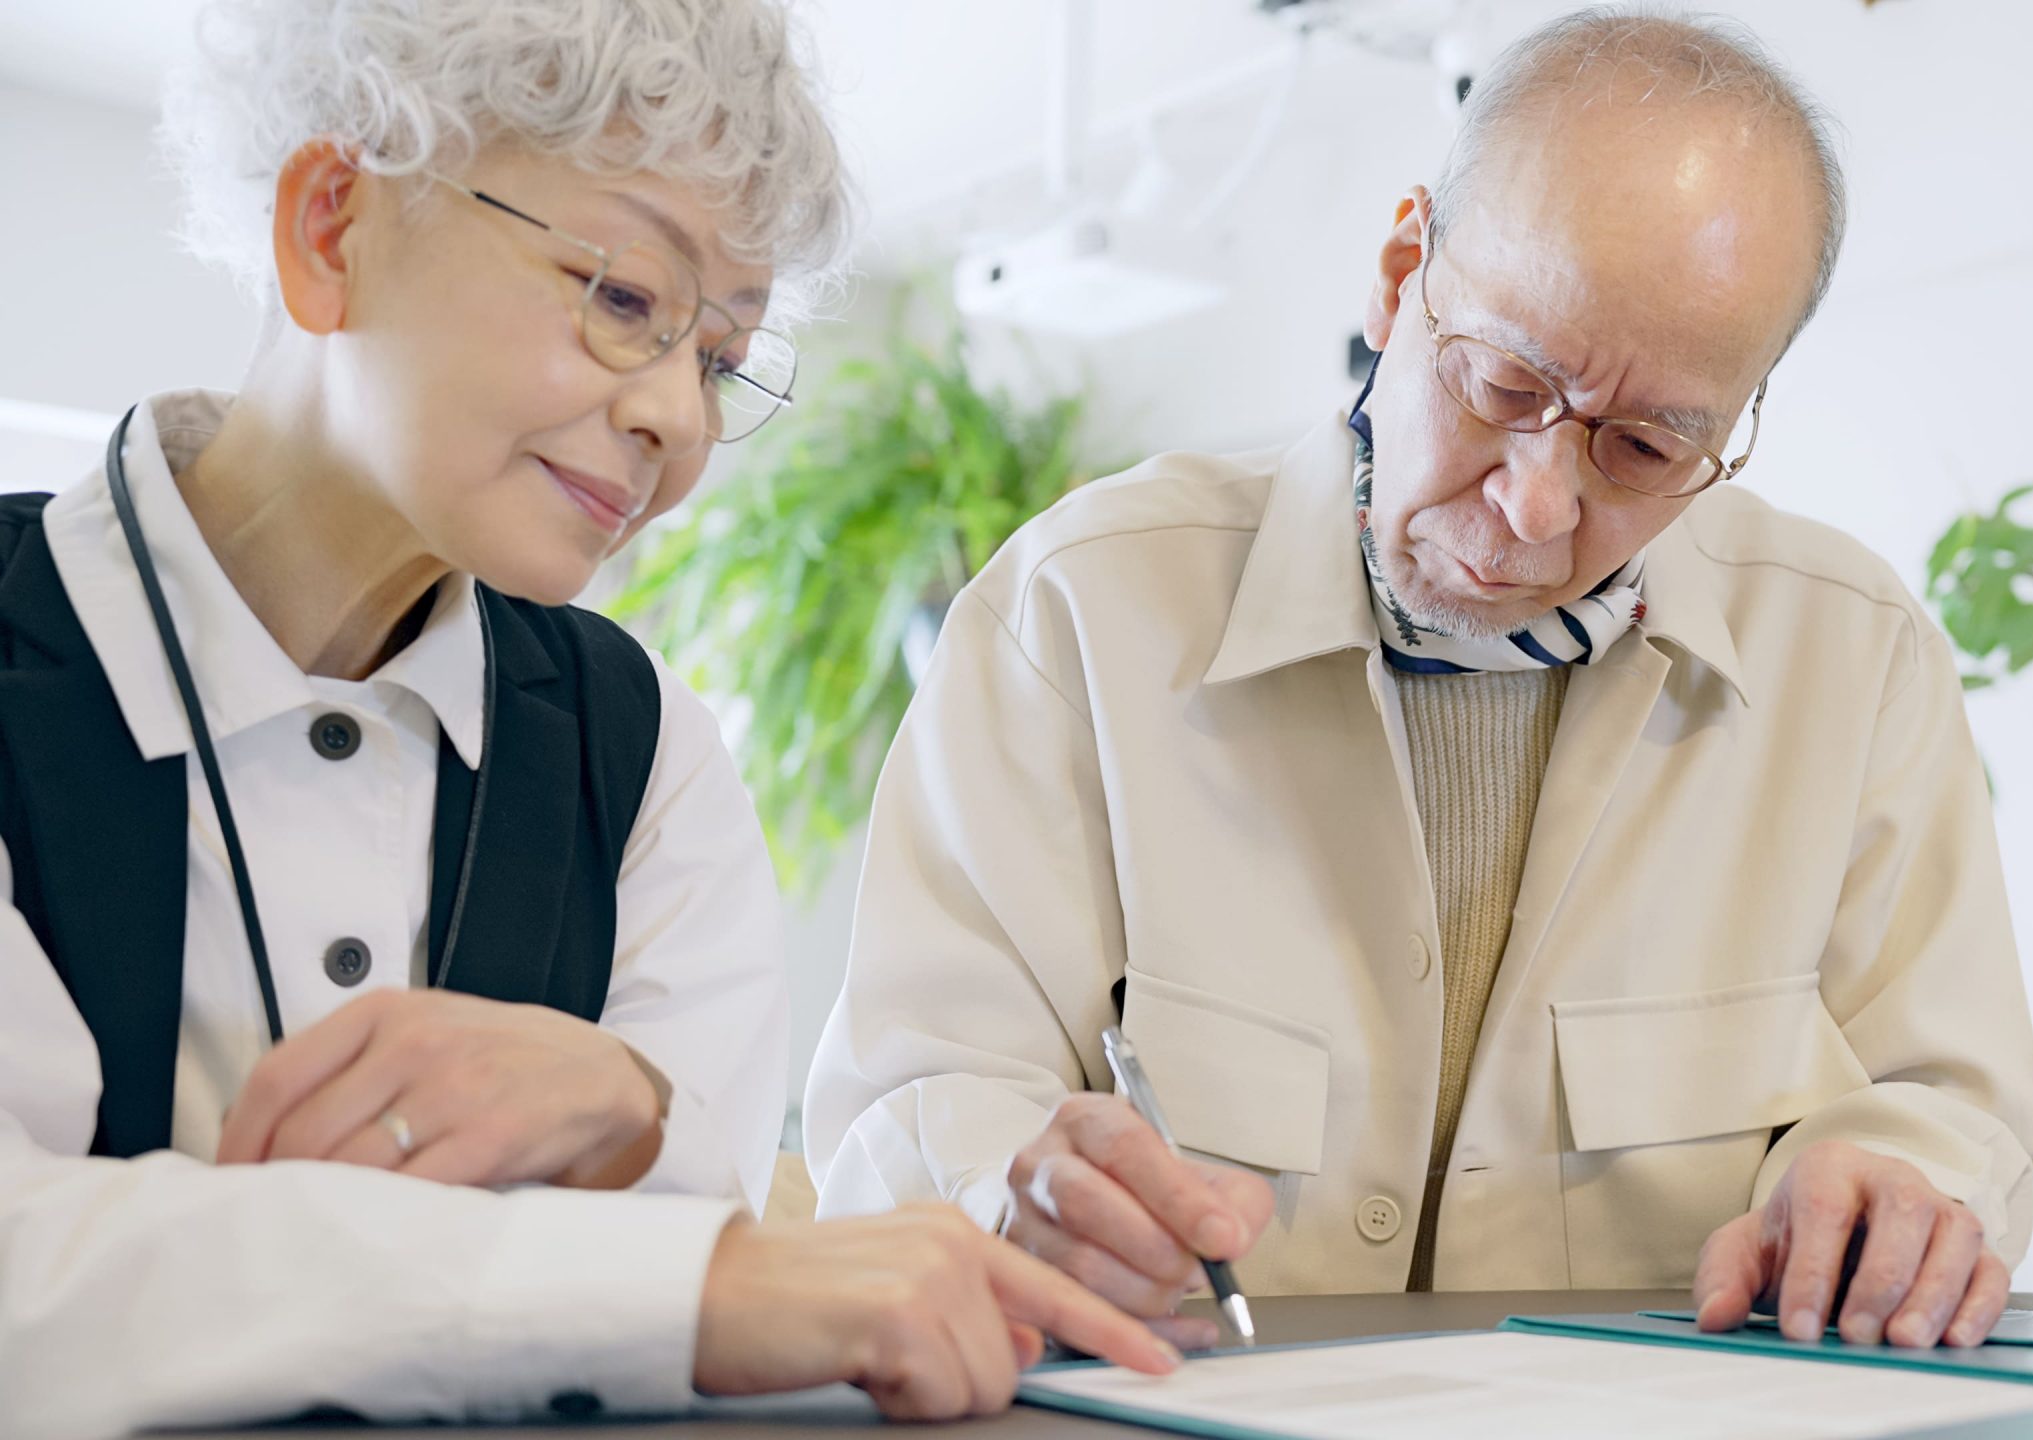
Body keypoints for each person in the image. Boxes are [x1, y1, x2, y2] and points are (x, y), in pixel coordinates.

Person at [0, 3, 1175, 1434]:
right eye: (625, 298)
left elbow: (707, 1275)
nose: (679, 420)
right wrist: (668, 1278)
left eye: (724, 361)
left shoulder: (643, 747)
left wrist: (629, 1107)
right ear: (330, 226)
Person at [806, 5, 2033, 1355]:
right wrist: (1005, 1200)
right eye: (1506, 385)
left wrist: (1901, 1195)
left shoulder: (1852, 664)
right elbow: (908, 1107)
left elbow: (1949, 1106)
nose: (1534, 508)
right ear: (1401, 277)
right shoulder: (1081, 616)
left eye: (1640, 449)